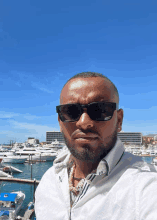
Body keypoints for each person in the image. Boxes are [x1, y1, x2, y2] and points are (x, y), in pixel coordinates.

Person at [35, 72, 157, 220]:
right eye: (70, 112)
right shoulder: (49, 181)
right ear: (60, 122)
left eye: (99, 110)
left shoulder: (144, 188)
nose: (83, 123)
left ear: (119, 120)